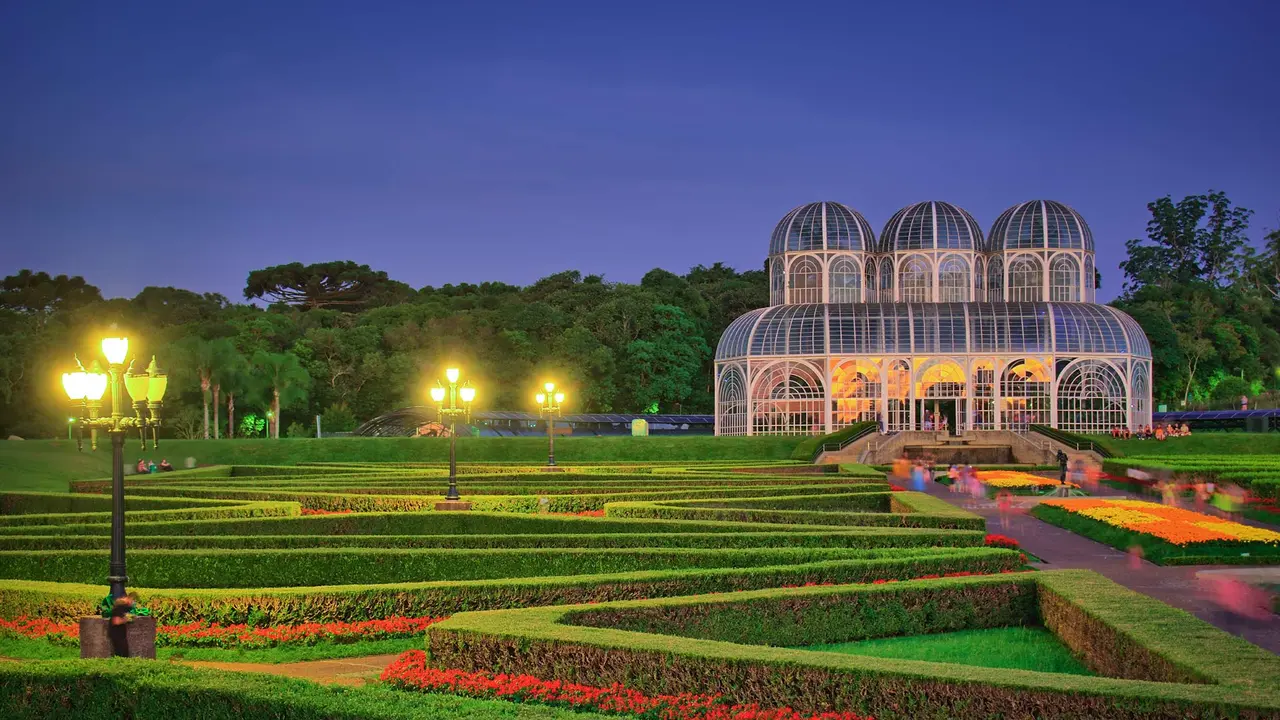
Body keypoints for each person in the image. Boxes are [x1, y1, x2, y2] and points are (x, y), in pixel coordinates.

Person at [108, 592, 138, 657]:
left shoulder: (125, 606)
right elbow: (116, 621)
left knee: (123, 653)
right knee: (122, 653)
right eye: (133, 601)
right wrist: (127, 619)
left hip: (121, 634)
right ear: (129, 599)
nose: (133, 603)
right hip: (116, 634)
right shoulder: (120, 606)